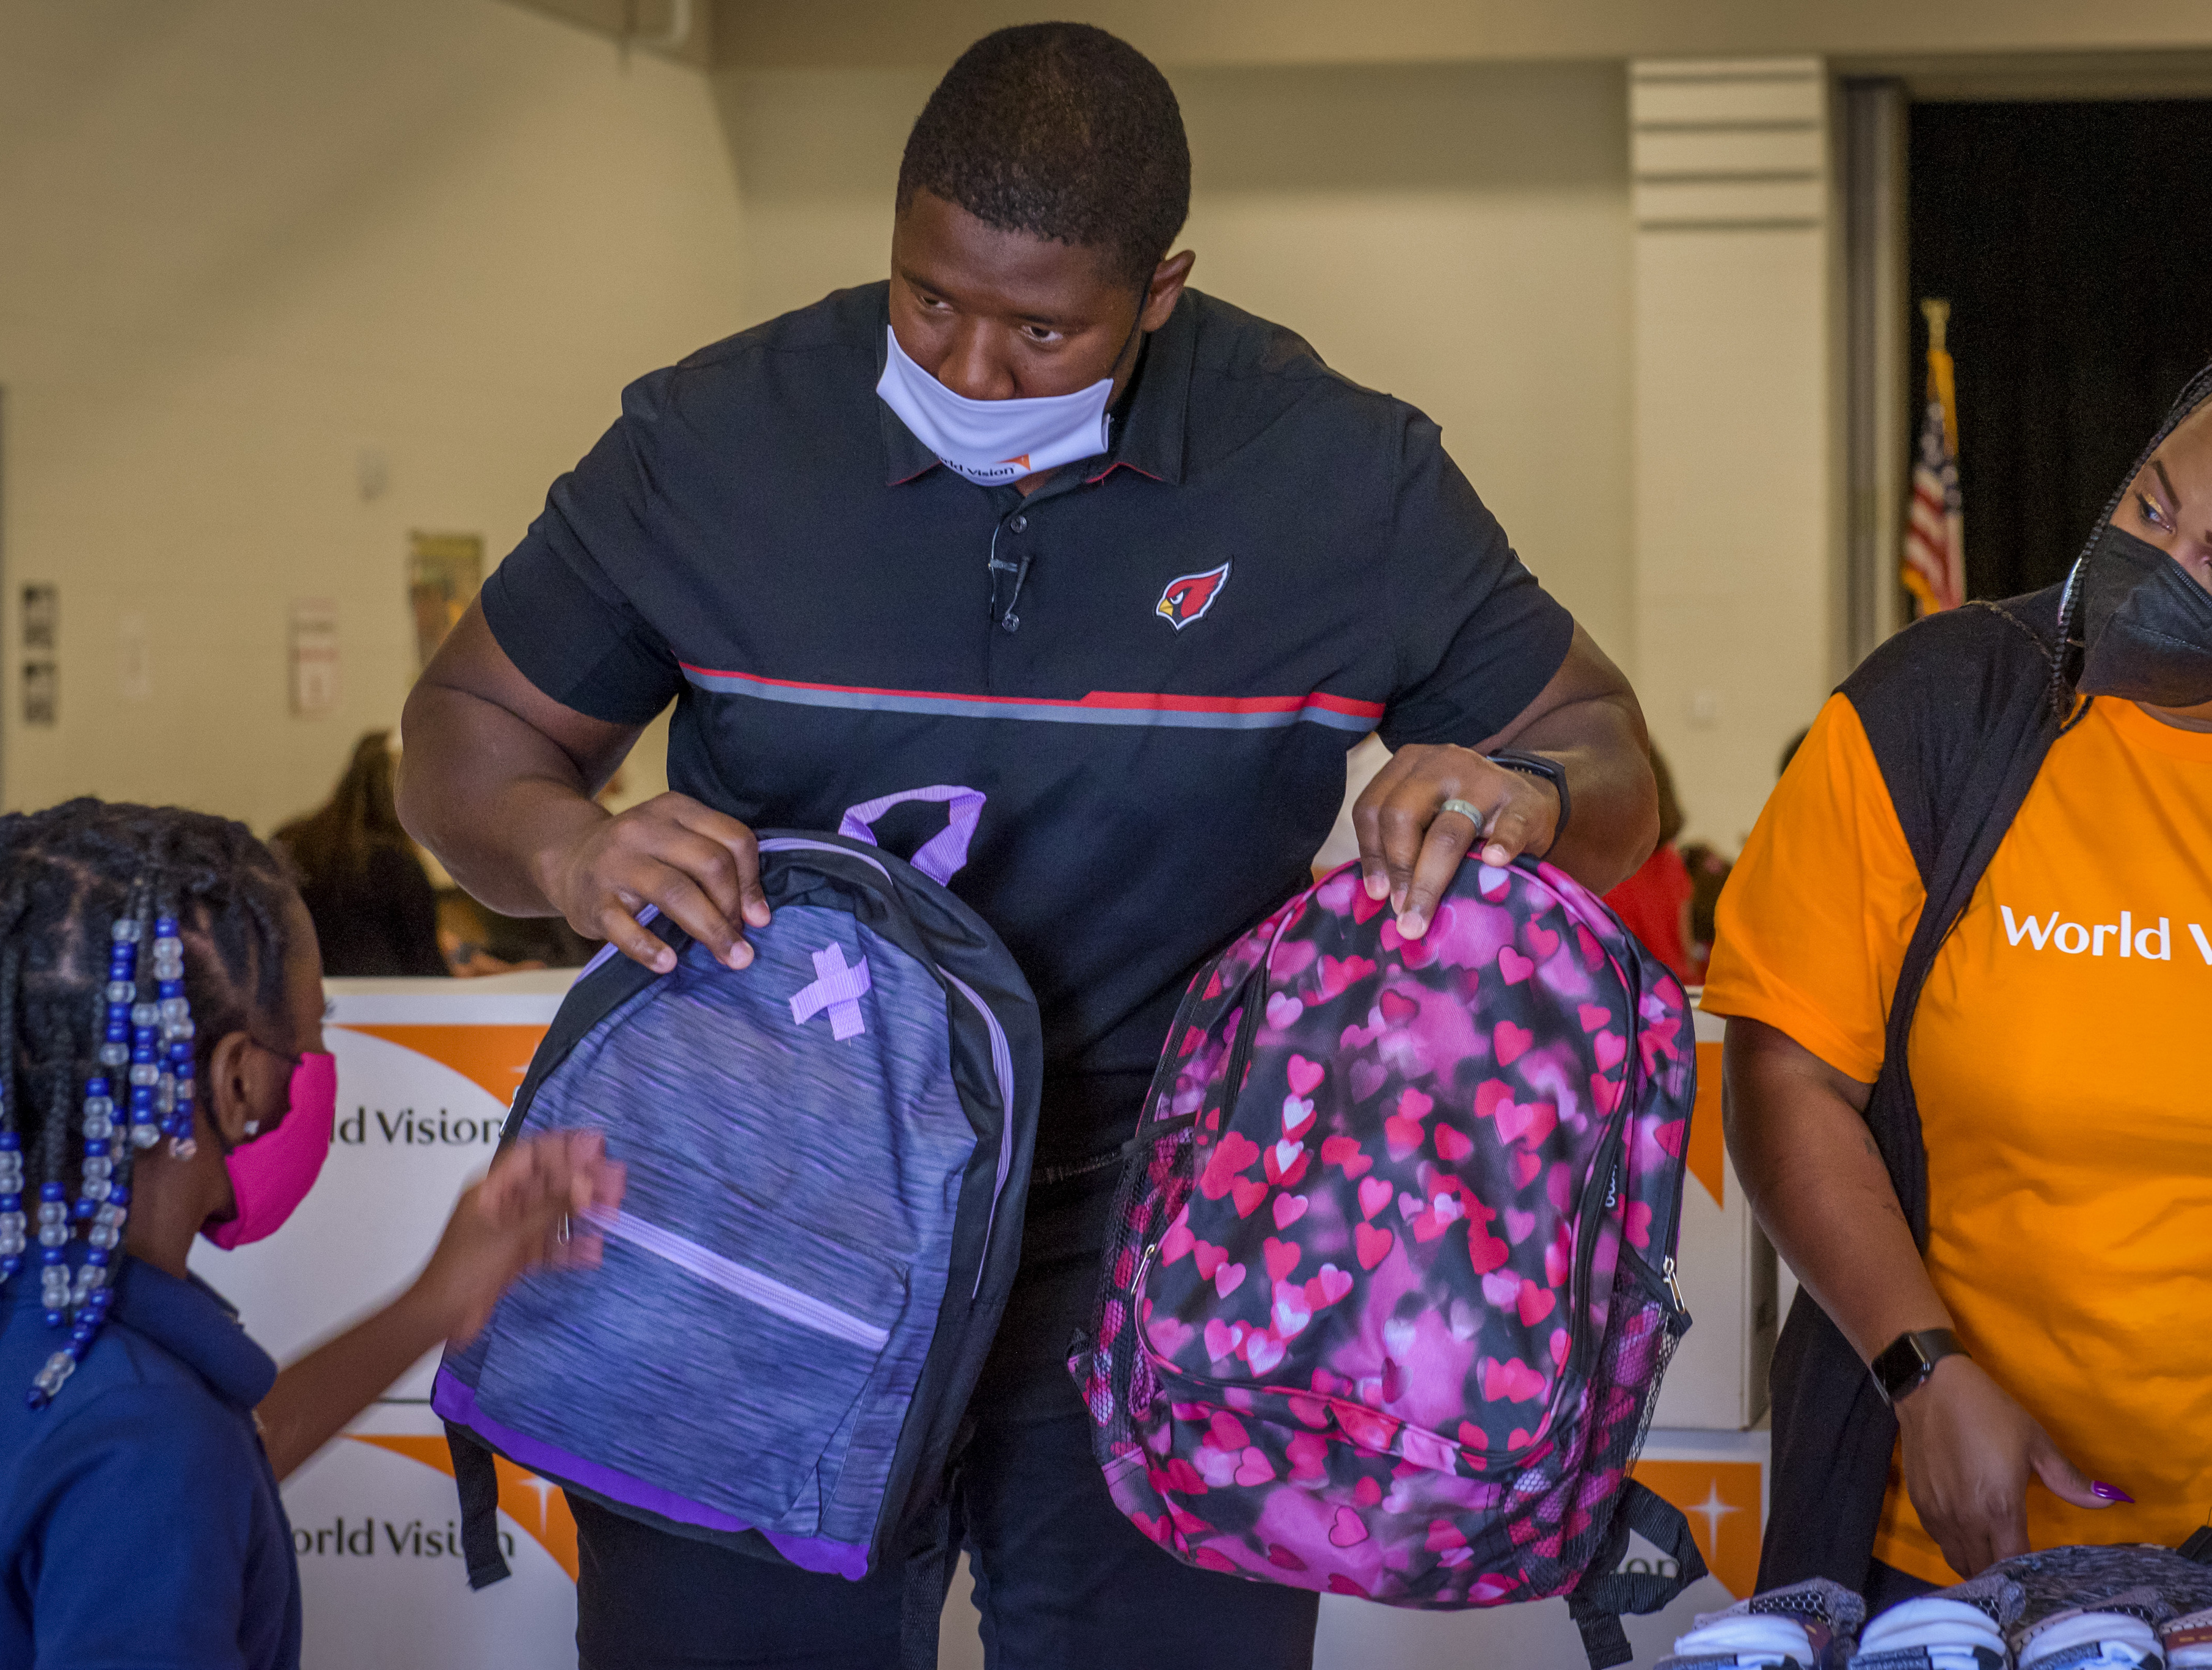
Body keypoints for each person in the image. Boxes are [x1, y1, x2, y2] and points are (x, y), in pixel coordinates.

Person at [396, 23, 1657, 1668]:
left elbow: (1608, 757)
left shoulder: (1342, 476)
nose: (974, 365)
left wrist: (1523, 794)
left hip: (1152, 1210)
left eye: (1042, 328)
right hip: (774, 1182)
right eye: (932, 300)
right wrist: (568, 847)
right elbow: (465, 735)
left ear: (1160, 289)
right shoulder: (710, 441)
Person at [1705, 338, 2212, 1602]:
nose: (2155, 569)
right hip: (1941, 1541)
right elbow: (1785, 1071)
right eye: (2150, 503)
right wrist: (1918, 1366)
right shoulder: (1936, 709)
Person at [0, 800, 622, 1668]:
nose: (314, 1068)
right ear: (236, 1080)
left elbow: (222, 1455)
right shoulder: (150, 1437)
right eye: (309, 1038)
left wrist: (436, 1301)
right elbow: (173, 1470)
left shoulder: (2, 1305)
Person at [271, 731, 448, 977]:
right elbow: (428, 971)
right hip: (383, 1005)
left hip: (297, 997)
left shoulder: (289, 840)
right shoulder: (398, 867)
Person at [1604, 742, 1704, 980]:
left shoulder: (1604, 868)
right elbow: (1686, 952)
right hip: (1678, 994)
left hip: (1632, 998)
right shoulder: (1671, 860)